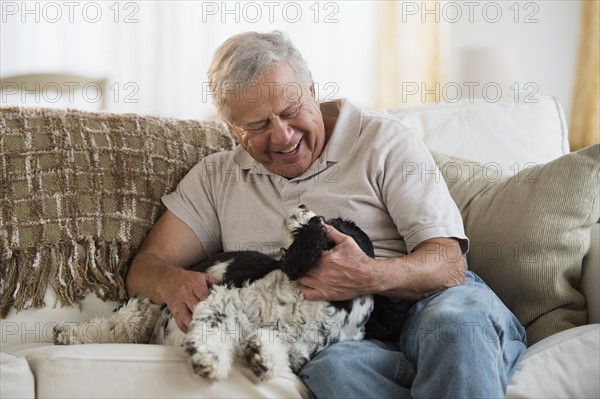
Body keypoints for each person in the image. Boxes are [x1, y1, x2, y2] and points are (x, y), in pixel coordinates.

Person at [125, 30, 527, 398]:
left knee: (456, 327)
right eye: (259, 124)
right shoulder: (217, 178)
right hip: (350, 337)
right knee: (332, 371)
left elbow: (449, 265)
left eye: (290, 109)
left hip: (431, 304)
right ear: (233, 129)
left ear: (312, 91)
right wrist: (171, 283)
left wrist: (369, 275)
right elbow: (146, 267)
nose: (283, 135)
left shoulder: (384, 141)